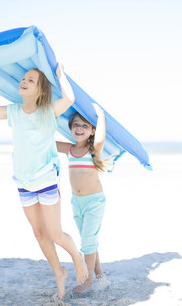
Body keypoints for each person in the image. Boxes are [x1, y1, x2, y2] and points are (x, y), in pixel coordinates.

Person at [0, 64, 88, 300]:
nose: (24, 81)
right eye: (24, 78)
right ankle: (59, 272)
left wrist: (60, 75)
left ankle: (77, 256)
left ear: (40, 90)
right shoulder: (14, 111)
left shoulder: (48, 111)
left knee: (55, 234)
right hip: (23, 182)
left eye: (31, 80)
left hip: (46, 179)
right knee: (39, 233)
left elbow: (69, 98)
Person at [56, 104, 110, 293]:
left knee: (87, 242)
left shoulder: (93, 150)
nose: (79, 128)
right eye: (76, 125)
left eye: (85, 126)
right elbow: (48, 142)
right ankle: (100, 275)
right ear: (70, 128)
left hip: (94, 202)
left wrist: (101, 116)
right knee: (90, 242)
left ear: (92, 131)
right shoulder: (70, 150)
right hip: (77, 203)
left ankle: (87, 283)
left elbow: (101, 138)